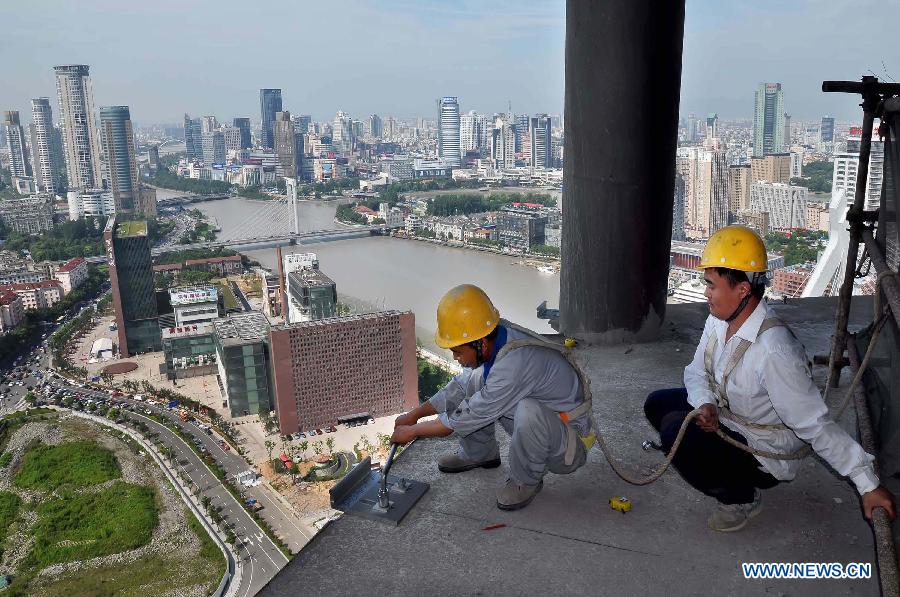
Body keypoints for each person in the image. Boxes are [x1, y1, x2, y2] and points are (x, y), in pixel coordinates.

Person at [644, 225, 896, 532]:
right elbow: (696, 371)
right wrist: (706, 403)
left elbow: (814, 424)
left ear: (742, 289)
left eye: (712, 285)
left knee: (676, 436)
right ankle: (721, 462)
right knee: (656, 405)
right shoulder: (719, 320)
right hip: (731, 414)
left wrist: (867, 483)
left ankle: (741, 497)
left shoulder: (775, 351)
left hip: (765, 447)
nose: (706, 292)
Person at [391, 284, 594, 510]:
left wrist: (412, 431)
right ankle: (479, 454)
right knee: (475, 378)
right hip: (551, 424)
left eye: (458, 351)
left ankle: (525, 482)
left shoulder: (513, 364)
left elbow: (464, 418)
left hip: (568, 444)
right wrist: (414, 414)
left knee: (528, 410)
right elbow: (460, 386)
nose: (456, 357)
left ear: (480, 343)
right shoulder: (496, 336)